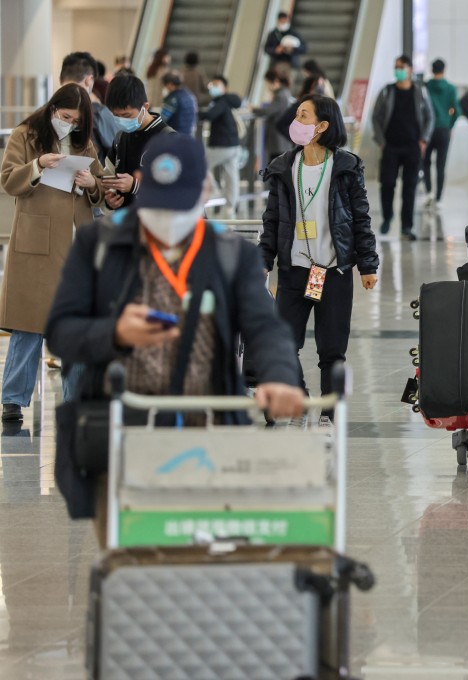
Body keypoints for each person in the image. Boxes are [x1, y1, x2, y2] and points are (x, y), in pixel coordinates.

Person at [46, 134, 305, 537]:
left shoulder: (228, 253)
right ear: (140, 182)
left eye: (179, 207)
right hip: (122, 433)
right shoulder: (101, 246)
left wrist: (280, 377)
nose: (167, 222)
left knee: (199, 567)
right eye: (158, 206)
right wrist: (113, 331)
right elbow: (61, 332)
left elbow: (264, 326)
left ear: (204, 190)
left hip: (209, 434)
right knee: (130, 563)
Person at [260, 95, 379, 425]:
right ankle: (301, 401)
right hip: (295, 270)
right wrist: (263, 260)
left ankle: (329, 417)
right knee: (283, 343)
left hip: (333, 271)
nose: (295, 121)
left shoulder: (345, 167)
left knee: (331, 352)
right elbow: (272, 220)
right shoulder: (284, 167)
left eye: (303, 115)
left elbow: (360, 218)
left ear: (322, 126)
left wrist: (368, 264)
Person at [0, 84, 104, 422]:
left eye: (76, 121)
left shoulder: (82, 141)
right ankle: (13, 399)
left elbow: (100, 186)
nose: (70, 125)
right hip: (37, 241)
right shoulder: (25, 135)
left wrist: (92, 184)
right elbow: (7, 180)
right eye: (66, 117)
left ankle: (76, 398)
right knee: (28, 323)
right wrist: (38, 165)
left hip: (76, 241)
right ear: (52, 109)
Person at [370, 55, 434, 240]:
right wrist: (381, 141)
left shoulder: (420, 91)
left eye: (402, 67)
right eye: (396, 67)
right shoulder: (387, 91)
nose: (398, 70)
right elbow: (376, 117)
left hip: (413, 147)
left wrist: (424, 139)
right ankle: (387, 217)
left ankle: (407, 226)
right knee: (387, 184)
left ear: (410, 70)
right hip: (390, 146)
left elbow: (430, 116)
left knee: (410, 187)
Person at [104, 74, 174, 210]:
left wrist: (135, 186)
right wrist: (110, 199)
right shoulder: (120, 137)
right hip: (126, 223)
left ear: (145, 107)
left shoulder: (168, 139)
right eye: (116, 115)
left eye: (126, 115)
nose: (121, 120)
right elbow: (109, 175)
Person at [59, 51, 119, 167]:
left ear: (61, 79)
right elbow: (116, 153)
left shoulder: (46, 112)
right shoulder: (99, 113)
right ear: (89, 80)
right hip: (91, 181)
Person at [199, 75, 243, 218]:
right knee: (232, 176)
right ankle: (231, 206)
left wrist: (196, 113)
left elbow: (211, 115)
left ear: (225, 87)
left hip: (223, 145)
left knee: (202, 165)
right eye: (212, 84)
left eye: (217, 84)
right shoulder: (227, 101)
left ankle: (214, 191)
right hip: (233, 144)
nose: (214, 87)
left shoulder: (221, 102)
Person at [423, 59, 460, 204]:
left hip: (428, 130)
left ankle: (428, 192)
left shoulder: (426, 86)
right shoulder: (450, 88)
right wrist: (449, 125)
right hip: (444, 130)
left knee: (425, 162)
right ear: (444, 70)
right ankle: (438, 198)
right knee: (441, 165)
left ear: (432, 70)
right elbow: (456, 110)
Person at [256, 70, 294, 161]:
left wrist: (253, 109)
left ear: (274, 81)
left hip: (279, 140)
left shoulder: (280, 95)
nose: (267, 87)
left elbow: (268, 111)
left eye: (267, 83)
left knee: (277, 166)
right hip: (283, 138)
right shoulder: (286, 93)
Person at [264, 12, 306, 80]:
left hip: (291, 64)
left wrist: (293, 49)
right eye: (282, 21)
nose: (284, 23)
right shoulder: (274, 34)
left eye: (285, 20)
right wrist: (275, 50)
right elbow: (266, 48)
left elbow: (304, 48)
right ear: (278, 20)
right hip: (278, 63)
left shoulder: (294, 33)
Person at [160, 71, 198, 136]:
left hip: (176, 136)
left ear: (169, 84)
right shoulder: (190, 96)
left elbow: (162, 119)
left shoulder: (173, 99)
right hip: (189, 136)